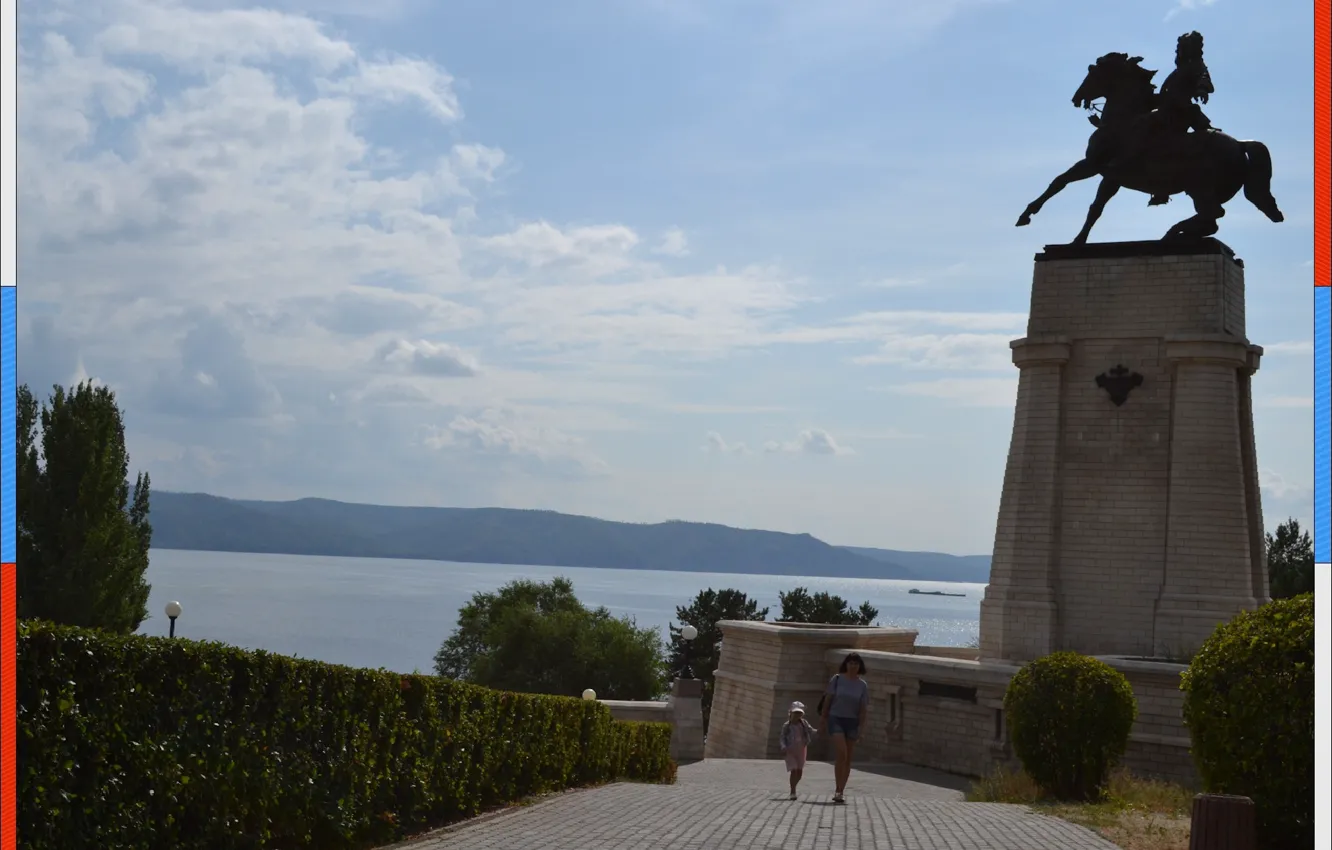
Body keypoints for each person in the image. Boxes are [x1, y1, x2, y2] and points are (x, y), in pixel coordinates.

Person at [820, 652, 869, 804]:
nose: (853, 665)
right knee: (842, 752)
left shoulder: (862, 685)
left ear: (859, 666)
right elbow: (828, 700)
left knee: (847, 758)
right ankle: (837, 788)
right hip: (836, 718)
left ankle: (840, 790)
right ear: (845, 664)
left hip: (852, 721)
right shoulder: (837, 679)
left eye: (856, 663)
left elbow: (863, 709)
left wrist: (862, 728)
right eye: (850, 662)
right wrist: (823, 719)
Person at [778, 701, 816, 800]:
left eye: (799, 713)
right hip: (790, 750)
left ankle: (795, 786)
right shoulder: (787, 725)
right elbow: (782, 737)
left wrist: (819, 731)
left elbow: (810, 730)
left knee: (799, 772)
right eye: (796, 713)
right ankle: (793, 790)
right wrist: (783, 747)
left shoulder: (803, 723)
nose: (798, 716)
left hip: (801, 749)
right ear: (791, 713)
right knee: (794, 770)